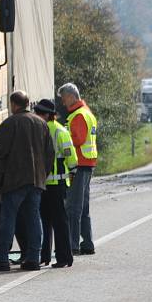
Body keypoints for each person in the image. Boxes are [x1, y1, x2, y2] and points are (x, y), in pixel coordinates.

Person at [0, 91, 54, 272]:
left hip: (14, 180)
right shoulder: (41, 123)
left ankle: (1, 258)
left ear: (13, 104)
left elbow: (0, 151)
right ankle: (33, 258)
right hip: (36, 180)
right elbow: (49, 153)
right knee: (33, 219)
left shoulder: (9, 123)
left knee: (8, 219)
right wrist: (43, 174)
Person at [34, 99, 76, 268]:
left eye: (38, 113)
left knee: (44, 222)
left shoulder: (38, 129)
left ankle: (44, 256)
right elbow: (70, 155)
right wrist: (73, 171)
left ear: (45, 115)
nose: (36, 115)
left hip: (41, 183)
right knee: (60, 222)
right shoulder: (60, 131)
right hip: (58, 184)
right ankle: (64, 257)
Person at [58, 82, 98, 256]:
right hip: (87, 164)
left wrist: (63, 141)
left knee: (74, 207)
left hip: (80, 165)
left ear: (72, 96)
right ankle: (87, 243)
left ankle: (73, 244)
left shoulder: (78, 115)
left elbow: (78, 139)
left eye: (64, 98)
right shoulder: (85, 113)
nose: (63, 103)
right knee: (83, 207)